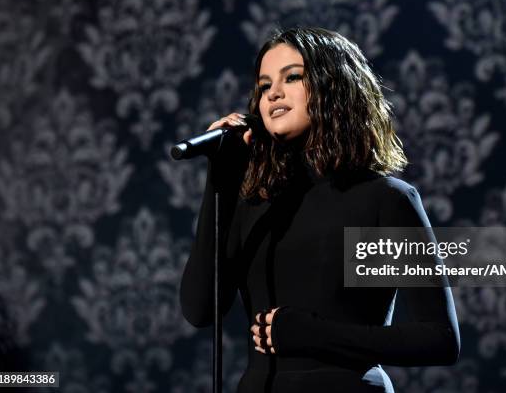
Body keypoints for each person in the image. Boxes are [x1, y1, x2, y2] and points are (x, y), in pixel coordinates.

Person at [180, 27, 460, 393]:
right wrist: (220, 179)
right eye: (264, 86)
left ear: (335, 86)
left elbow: (438, 339)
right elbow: (200, 309)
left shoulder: (386, 198)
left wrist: (313, 334)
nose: (273, 94)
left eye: (292, 77)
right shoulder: (255, 204)